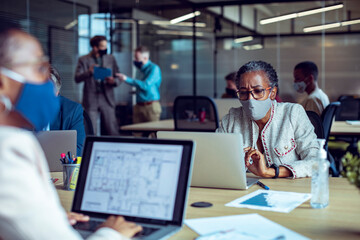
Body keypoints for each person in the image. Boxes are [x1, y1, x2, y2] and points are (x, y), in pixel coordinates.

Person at [0, 20, 141, 239]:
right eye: (38, 68)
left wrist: (47, 220)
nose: (47, 81)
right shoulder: (7, 150)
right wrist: (111, 233)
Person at [217, 61, 320, 179]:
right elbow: (214, 159)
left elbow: (316, 161)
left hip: (287, 192)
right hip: (244, 191)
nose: (250, 99)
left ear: (272, 93)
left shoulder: (293, 113)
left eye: (258, 91)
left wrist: (269, 172)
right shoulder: (232, 119)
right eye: (244, 93)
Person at [75, 35, 120, 135]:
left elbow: (118, 76)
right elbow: (77, 78)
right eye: (103, 46)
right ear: (95, 47)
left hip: (107, 97)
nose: (105, 49)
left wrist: (114, 81)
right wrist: (89, 71)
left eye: (105, 46)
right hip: (91, 98)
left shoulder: (111, 58)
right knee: (91, 130)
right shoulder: (83, 59)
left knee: (112, 129)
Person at [116, 46, 162, 123]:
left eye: (137, 58)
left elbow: (145, 85)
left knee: (152, 134)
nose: (135, 60)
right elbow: (138, 85)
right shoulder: (139, 70)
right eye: (135, 58)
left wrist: (126, 79)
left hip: (151, 107)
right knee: (137, 133)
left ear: (145, 58)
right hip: (138, 106)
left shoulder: (154, 69)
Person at [49, 66, 86, 156]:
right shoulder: (22, 111)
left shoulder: (72, 110)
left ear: (57, 93)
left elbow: (78, 148)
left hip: (60, 166)